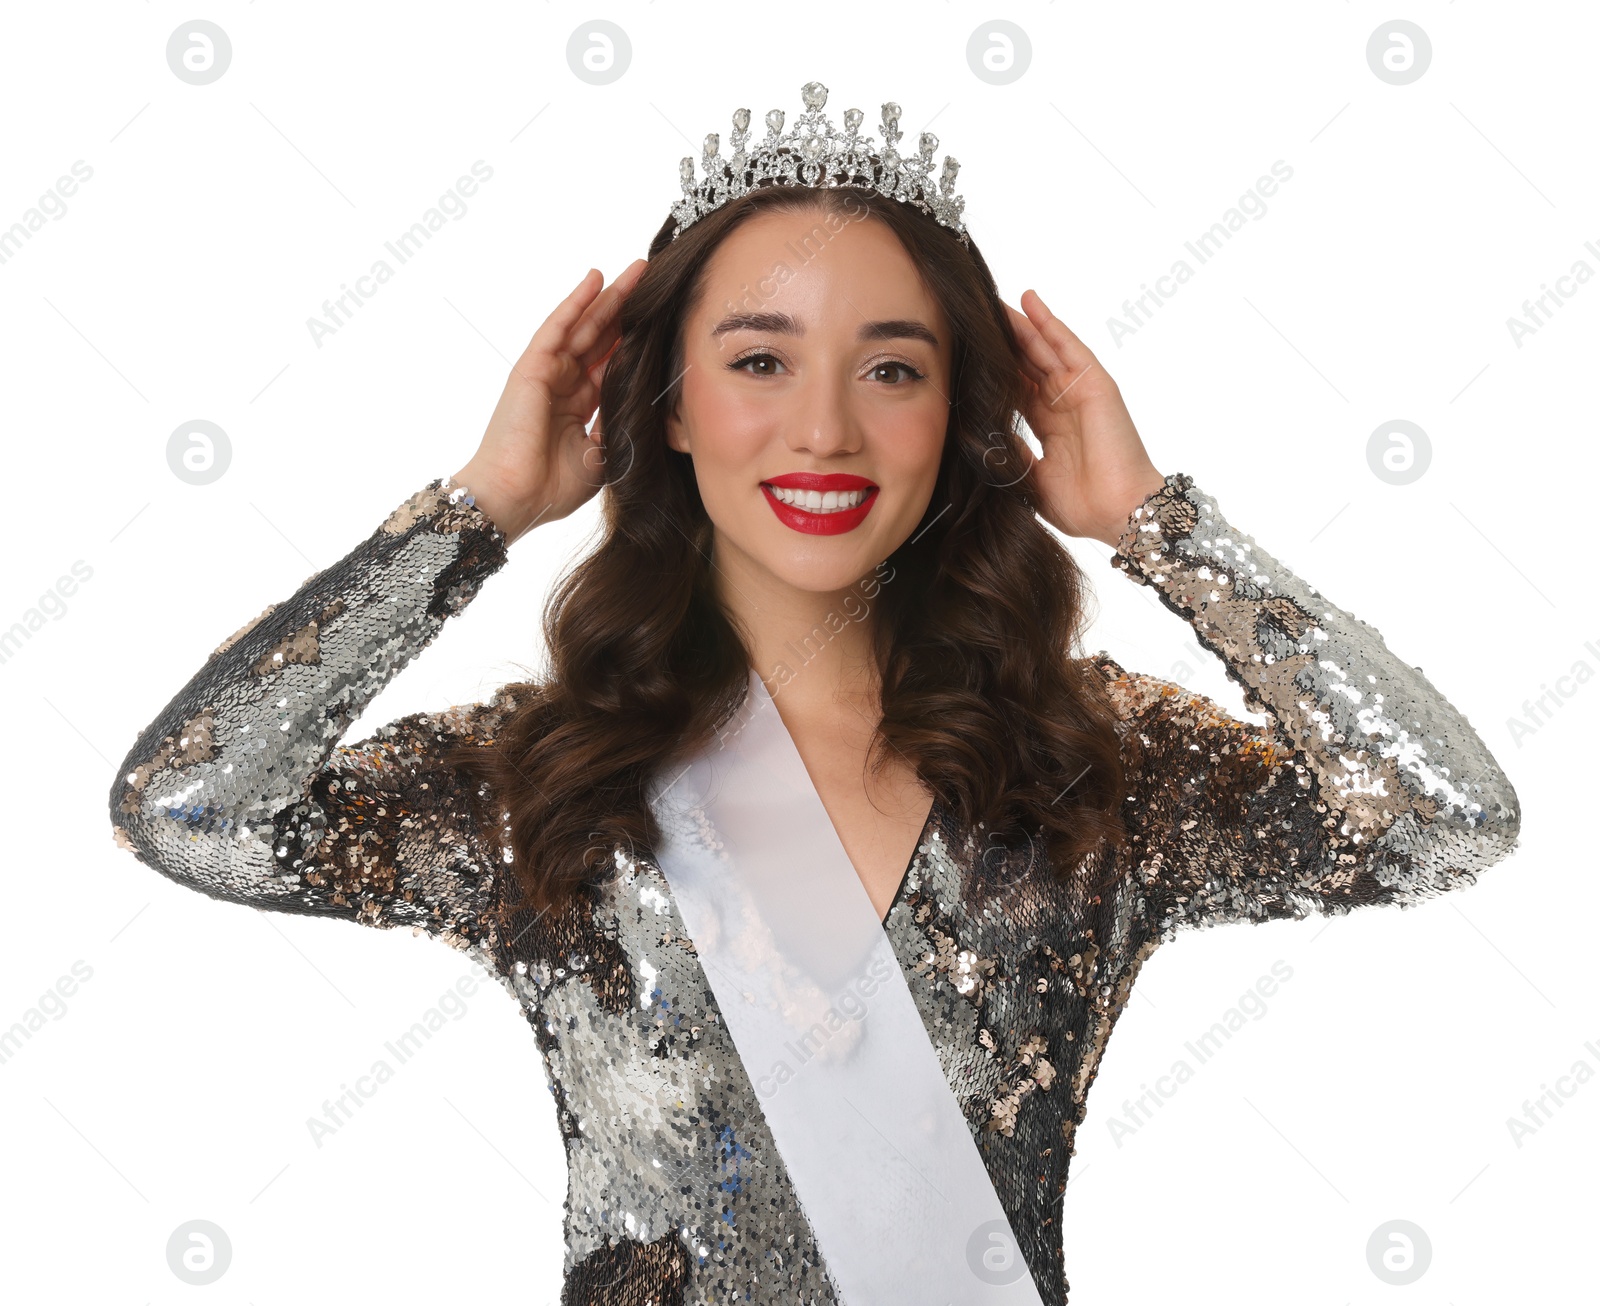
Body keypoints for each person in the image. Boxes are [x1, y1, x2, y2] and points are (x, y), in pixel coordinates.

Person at [108, 83, 1520, 1305]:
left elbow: (1441, 818)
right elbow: (188, 804)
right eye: (760, 360)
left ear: (964, 412)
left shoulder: (1093, 766)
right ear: (665, 402)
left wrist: (1155, 518)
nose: (826, 427)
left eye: (892, 367)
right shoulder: (549, 775)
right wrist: (476, 512)